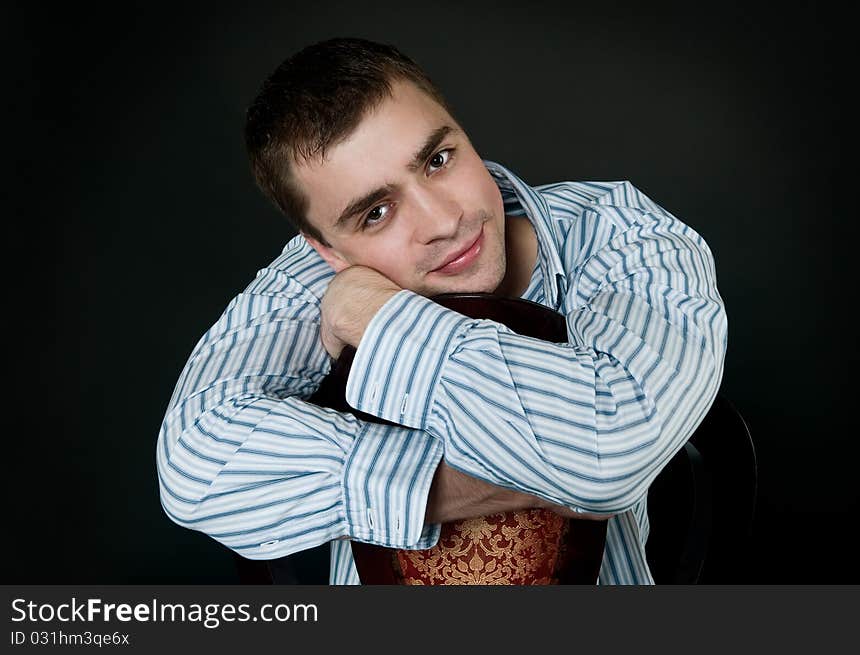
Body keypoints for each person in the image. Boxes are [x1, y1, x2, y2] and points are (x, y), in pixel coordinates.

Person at [156, 37, 727, 584]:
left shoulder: (621, 235)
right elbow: (194, 468)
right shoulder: (312, 277)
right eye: (375, 213)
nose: (442, 222)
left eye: (437, 159)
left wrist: (377, 318)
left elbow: (611, 447)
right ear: (327, 250)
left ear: (466, 135)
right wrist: (506, 478)